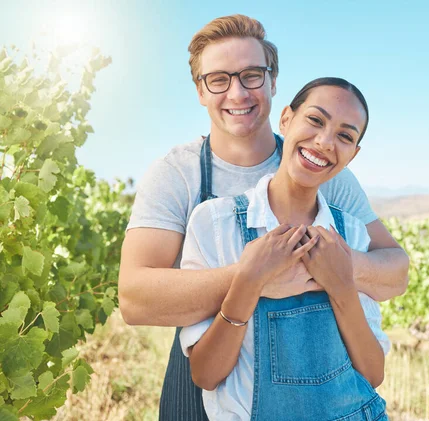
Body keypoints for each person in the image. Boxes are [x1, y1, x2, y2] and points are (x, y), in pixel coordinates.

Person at [118, 14, 409, 420]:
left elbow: (395, 272)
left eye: (252, 75)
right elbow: (135, 299)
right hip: (208, 376)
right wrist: (253, 279)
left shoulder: (323, 169)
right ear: (201, 91)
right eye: (218, 79)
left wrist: (338, 270)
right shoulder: (177, 175)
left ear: (273, 82)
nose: (237, 93)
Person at [179, 77, 390, 421]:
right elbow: (206, 374)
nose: (324, 142)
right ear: (286, 119)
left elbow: (372, 373)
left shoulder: (351, 233)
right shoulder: (215, 224)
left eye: (345, 136)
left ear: (353, 154)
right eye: (315, 120)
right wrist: (249, 281)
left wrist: (342, 286)